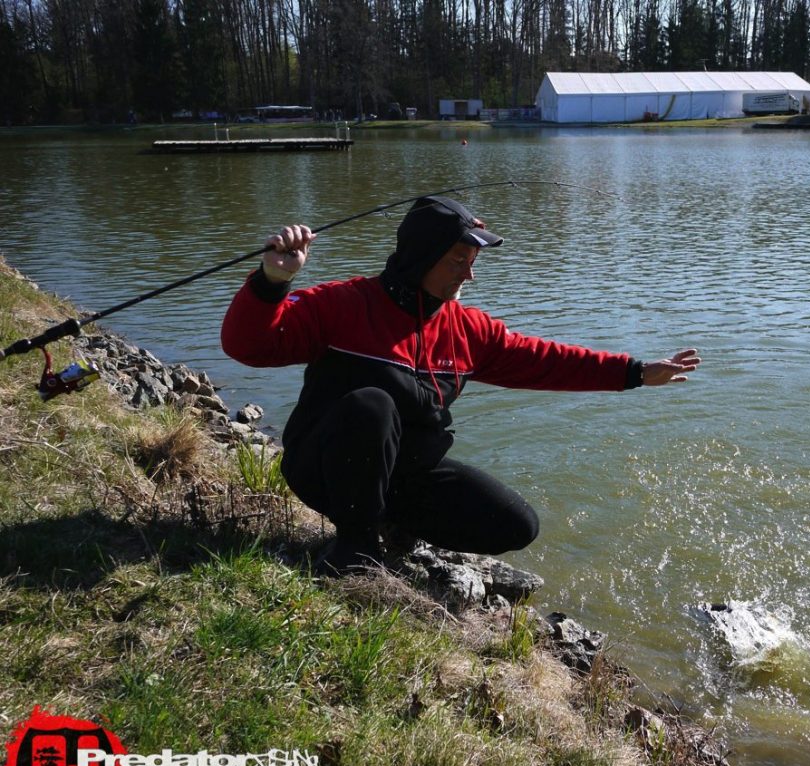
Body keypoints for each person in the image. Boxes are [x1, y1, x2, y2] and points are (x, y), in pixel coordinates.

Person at [221, 195, 700, 575]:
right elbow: (249, 346)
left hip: (401, 473)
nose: (470, 273)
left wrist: (634, 372)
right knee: (373, 405)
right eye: (457, 260)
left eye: (473, 261)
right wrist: (270, 282)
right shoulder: (344, 305)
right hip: (321, 468)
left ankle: (390, 521)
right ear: (419, 257)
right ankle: (355, 546)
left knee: (516, 524)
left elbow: (544, 361)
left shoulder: (468, 329)